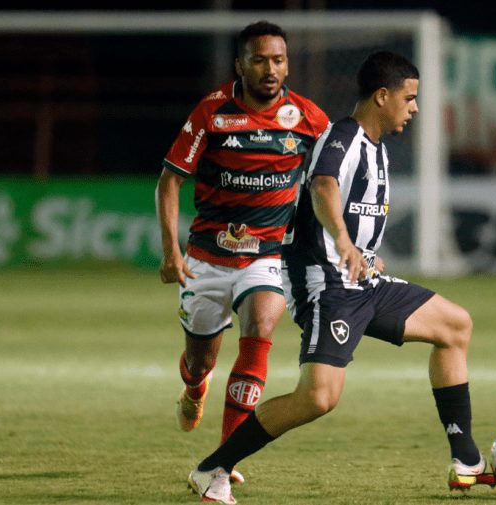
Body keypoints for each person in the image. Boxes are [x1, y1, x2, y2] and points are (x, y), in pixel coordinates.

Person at [186, 51, 496, 504]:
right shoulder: (343, 137)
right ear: (382, 96)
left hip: (361, 282)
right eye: (409, 99)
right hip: (324, 283)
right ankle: (213, 467)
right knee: (318, 399)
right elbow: (323, 187)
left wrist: (365, 255)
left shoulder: (377, 149)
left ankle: (465, 461)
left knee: (454, 325)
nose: (414, 108)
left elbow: (353, 212)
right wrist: (345, 244)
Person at [155, 20, 330, 456]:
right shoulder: (212, 112)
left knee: (261, 329)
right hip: (206, 258)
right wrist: (170, 252)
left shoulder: (309, 119)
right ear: (240, 65)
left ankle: (223, 459)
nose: (270, 69)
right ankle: (195, 387)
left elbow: (332, 179)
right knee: (201, 362)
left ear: (287, 65)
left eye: (278, 60)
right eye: (259, 60)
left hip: (267, 257)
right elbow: (169, 182)